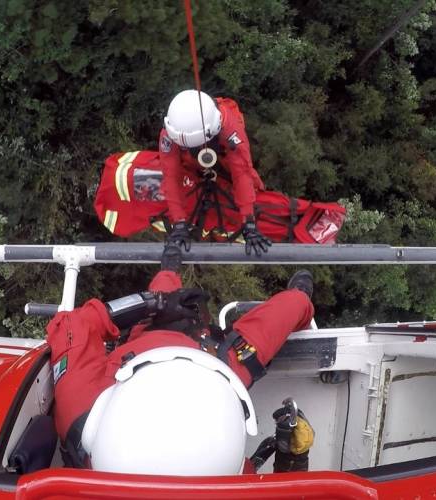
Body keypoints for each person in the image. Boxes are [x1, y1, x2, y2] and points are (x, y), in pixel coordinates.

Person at [45, 245, 314, 475]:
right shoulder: (78, 412)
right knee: (292, 305)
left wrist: (149, 303)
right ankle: (168, 273)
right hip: (210, 357)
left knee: (166, 293)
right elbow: (72, 325)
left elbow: (68, 324)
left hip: (165, 349)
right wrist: (293, 458)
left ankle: (168, 271)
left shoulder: (79, 411)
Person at [160, 90, 272, 256]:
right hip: (193, 163)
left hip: (222, 157)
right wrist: (179, 222)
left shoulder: (230, 128)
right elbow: (170, 176)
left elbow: (242, 173)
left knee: (246, 181)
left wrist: (248, 221)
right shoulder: (172, 131)